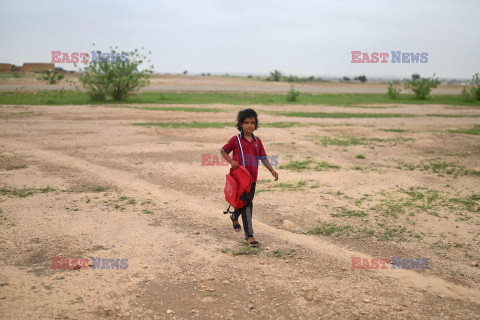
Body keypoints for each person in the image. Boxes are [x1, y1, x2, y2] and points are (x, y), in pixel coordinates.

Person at [220, 108, 278, 246]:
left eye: (252, 122)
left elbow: (263, 158)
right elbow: (223, 151)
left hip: (252, 179)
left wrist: (272, 170)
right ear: (240, 124)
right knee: (247, 204)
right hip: (239, 179)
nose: (249, 125)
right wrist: (231, 161)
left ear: (256, 124)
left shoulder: (258, 141)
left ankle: (234, 216)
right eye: (246, 122)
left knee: (246, 201)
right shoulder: (236, 140)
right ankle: (249, 235)